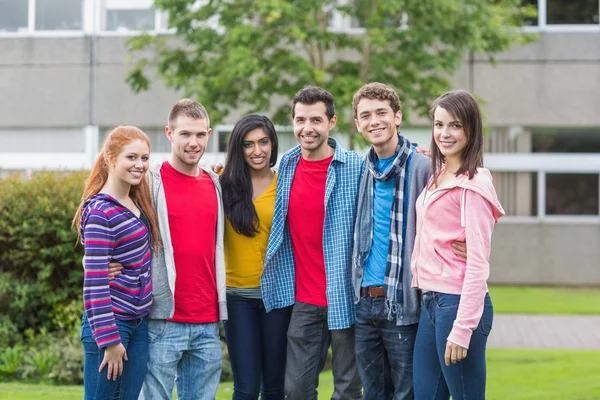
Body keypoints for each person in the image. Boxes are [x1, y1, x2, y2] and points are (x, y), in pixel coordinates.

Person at [352, 82, 468, 400]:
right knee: (373, 394)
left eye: (381, 113)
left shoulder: (425, 166)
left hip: (403, 301)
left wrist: (471, 239)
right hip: (364, 302)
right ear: (358, 124)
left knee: (408, 394)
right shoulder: (359, 170)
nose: (374, 121)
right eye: (365, 115)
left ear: (398, 116)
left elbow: (465, 189)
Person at [110, 99, 227, 400]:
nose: (193, 142)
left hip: (207, 321)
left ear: (209, 135)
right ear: (170, 133)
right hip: (163, 319)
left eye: (200, 135)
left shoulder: (216, 184)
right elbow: (102, 209)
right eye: (185, 134)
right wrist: (101, 257)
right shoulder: (147, 182)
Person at [261, 86, 363, 400]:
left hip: (347, 297)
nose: (308, 128)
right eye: (301, 120)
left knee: (348, 390)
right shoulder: (284, 170)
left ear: (331, 123)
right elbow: (246, 188)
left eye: (316, 120)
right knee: (296, 390)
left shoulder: (358, 169)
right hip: (304, 301)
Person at [411, 90, 504, 400]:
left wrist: (463, 329)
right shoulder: (439, 174)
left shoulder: (474, 186)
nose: (445, 133)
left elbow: (479, 264)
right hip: (431, 302)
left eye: (455, 125)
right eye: (439, 125)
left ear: (471, 129)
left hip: (457, 305)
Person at [73, 126, 159, 400]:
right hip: (111, 325)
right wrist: (109, 342)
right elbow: (95, 284)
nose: (140, 165)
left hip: (138, 323)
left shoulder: (136, 201)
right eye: (131, 157)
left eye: (144, 158)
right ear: (111, 159)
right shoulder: (101, 211)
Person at [220, 114, 292, 400]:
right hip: (238, 300)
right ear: (238, 149)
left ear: (273, 143)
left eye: (263, 142)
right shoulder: (222, 187)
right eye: (248, 144)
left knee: (274, 389)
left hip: (277, 298)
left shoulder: (286, 184)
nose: (257, 151)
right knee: (246, 390)